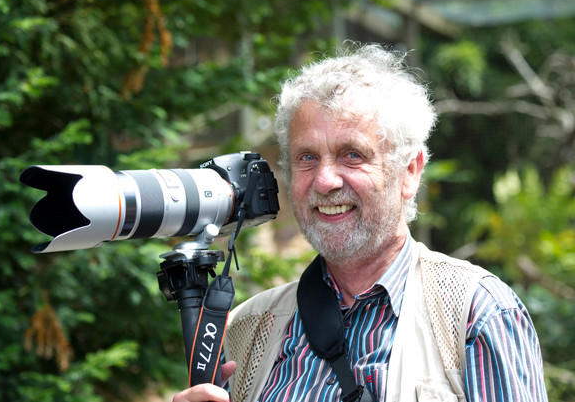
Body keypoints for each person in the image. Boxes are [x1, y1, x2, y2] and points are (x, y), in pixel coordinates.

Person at [173, 43, 548, 402]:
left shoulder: (474, 314)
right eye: (307, 157)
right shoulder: (247, 328)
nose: (324, 181)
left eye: (352, 154)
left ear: (410, 171)